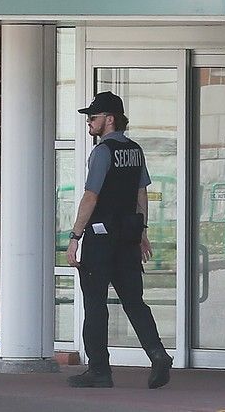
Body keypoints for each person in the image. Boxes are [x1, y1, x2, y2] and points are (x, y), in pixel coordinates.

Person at [66, 90, 173, 389]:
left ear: (110, 120)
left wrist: (75, 236)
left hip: (100, 238)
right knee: (134, 302)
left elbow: (91, 195)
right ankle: (157, 353)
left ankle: (99, 370)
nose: (89, 122)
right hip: (127, 237)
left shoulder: (102, 152)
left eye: (94, 117)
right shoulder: (136, 151)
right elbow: (141, 193)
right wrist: (142, 232)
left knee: (96, 304)